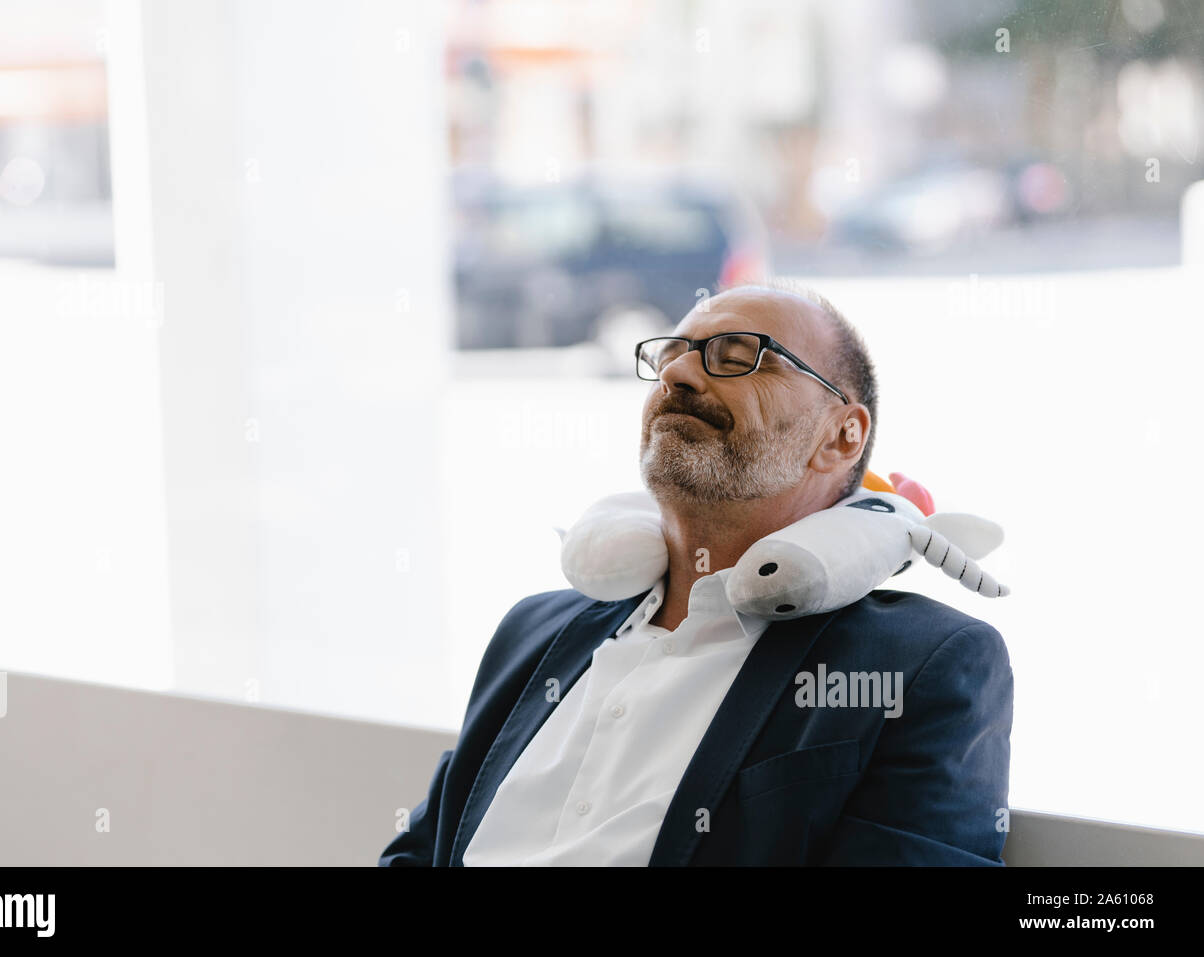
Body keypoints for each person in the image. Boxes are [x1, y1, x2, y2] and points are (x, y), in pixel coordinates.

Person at [380, 281, 1013, 866]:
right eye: (672, 354)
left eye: (740, 355)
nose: (680, 372)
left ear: (841, 437)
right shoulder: (534, 631)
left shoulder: (918, 665)